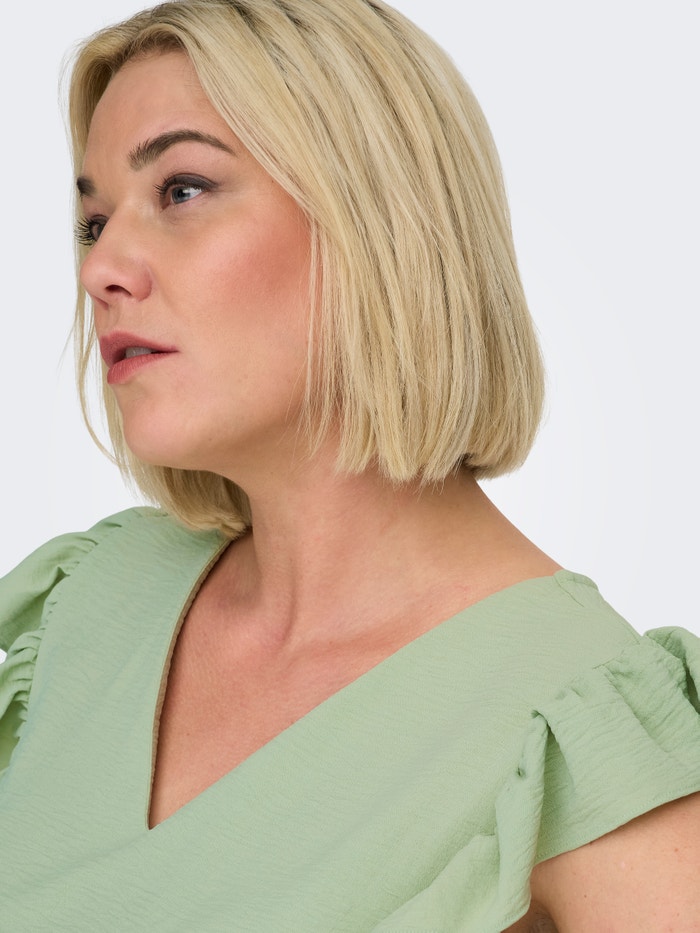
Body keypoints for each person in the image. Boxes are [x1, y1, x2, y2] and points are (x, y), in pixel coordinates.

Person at [0, 0, 698, 929]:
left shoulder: (582, 729)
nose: (101, 269)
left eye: (182, 189)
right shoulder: (90, 602)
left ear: (377, 218)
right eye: (94, 221)